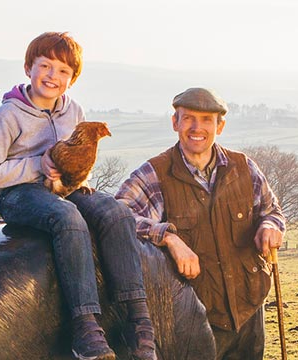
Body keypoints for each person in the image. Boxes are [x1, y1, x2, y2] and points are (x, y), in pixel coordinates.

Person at [0, 32, 156, 360]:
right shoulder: (8, 116)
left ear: (72, 79)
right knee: (68, 217)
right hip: (19, 195)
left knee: (115, 211)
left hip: (64, 190)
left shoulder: (74, 111)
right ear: (29, 67)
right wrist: (36, 166)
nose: (52, 76)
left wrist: (79, 180)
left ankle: (138, 321)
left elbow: (78, 156)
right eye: (45, 66)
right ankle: (85, 326)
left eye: (62, 71)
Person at [116, 87, 286, 359]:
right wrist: (168, 237)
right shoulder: (155, 173)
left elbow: (271, 211)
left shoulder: (244, 167)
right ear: (175, 123)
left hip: (249, 309)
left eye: (207, 119)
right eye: (188, 118)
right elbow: (118, 217)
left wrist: (270, 226)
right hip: (192, 316)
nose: (197, 127)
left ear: (220, 125)